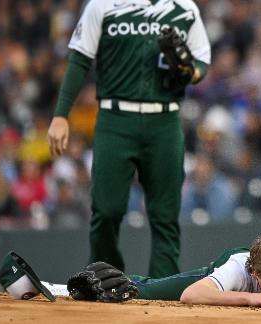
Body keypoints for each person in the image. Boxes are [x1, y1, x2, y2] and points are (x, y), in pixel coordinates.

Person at [46, 0, 211, 277]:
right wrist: (61, 114)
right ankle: (103, 279)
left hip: (165, 120)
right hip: (115, 118)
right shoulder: (102, 4)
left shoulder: (185, 8)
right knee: (106, 210)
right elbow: (80, 58)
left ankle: (162, 291)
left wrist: (191, 72)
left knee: (165, 215)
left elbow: (201, 60)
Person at [0, 232, 261, 313]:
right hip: (220, 267)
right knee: (138, 290)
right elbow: (191, 296)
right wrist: (252, 295)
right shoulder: (240, 267)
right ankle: (42, 285)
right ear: (255, 271)